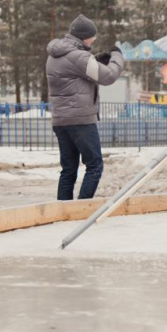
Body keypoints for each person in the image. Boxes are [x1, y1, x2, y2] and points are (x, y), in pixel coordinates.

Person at [46, 14, 125, 200]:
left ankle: (62, 211)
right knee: (94, 166)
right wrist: (116, 56)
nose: (94, 39)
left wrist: (96, 59)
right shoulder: (79, 56)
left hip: (60, 120)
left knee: (68, 169)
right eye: (92, 36)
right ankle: (82, 209)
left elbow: (73, 71)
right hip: (80, 120)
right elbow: (109, 76)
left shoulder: (55, 54)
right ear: (84, 36)